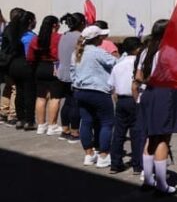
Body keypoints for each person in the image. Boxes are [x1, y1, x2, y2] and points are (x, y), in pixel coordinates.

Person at [135, 19, 177, 195]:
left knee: (151, 137)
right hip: (165, 93)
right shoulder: (169, 51)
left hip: (149, 93)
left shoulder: (146, 50)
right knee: (163, 138)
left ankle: (148, 179)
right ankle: (161, 184)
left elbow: (138, 75)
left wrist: (148, 81)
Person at [71, 24, 116, 168]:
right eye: (101, 36)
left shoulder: (77, 52)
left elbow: (73, 72)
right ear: (97, 39)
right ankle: (103, 155)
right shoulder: (98, 52)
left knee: (86, 121)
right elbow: (114, 62)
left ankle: (89, 154)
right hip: (98, 91)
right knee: (107, 122)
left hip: (80, 90)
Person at [108, 37, 143, 175]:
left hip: (121, 100)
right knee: (137, 133)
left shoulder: (118, 65)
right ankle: (137, 165)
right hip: (135, 99)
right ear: (137, 49)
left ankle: (115, 164)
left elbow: (111, 86)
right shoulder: (139, 64)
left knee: (118, 133)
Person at [27, 15, 64, 135]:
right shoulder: (59, 38)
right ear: (54, 25)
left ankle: (41, 125)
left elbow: (30, 57)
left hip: (40, 67)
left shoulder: (36, 39)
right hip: (54, 67)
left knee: (41, 97)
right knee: (55, 97)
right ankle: (52, 125)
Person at [57, 12, 85, 143]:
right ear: (81, 24)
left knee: (67, 102)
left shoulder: (65, 35)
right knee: (75, 103)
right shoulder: (80, 37)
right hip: (74, 74)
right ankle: (74, 132)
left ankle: (65, 130)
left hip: (62, 74)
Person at [8, 11, 37, 130]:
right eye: (34, 19)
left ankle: (20, 119)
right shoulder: (31, 36)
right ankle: (29, 121)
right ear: (30, 21)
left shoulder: (16, 34)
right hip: (26, 65)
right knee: (29, 94)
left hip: (14, 66)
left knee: (19, 93)